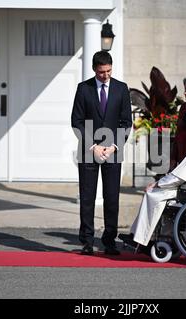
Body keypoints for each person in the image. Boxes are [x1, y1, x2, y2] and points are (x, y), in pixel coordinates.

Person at [120, 116, 186, 247]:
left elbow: (178, 177)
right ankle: (140, 235)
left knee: (152, 194)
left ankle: (141, 239)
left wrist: (157, 183)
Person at [71, 51, 132, 256]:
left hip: (113, 151)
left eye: (108, 71)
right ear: (94, 69)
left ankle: (109, 241)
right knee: (87, 197)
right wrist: (93, 145)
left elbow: (126, 122)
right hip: (89, 151)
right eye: (101, 72)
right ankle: (87, 241)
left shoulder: (121, 89)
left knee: (111, 197)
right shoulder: (83, 89)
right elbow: (77, 121)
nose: (105, 75)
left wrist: (114, 146)